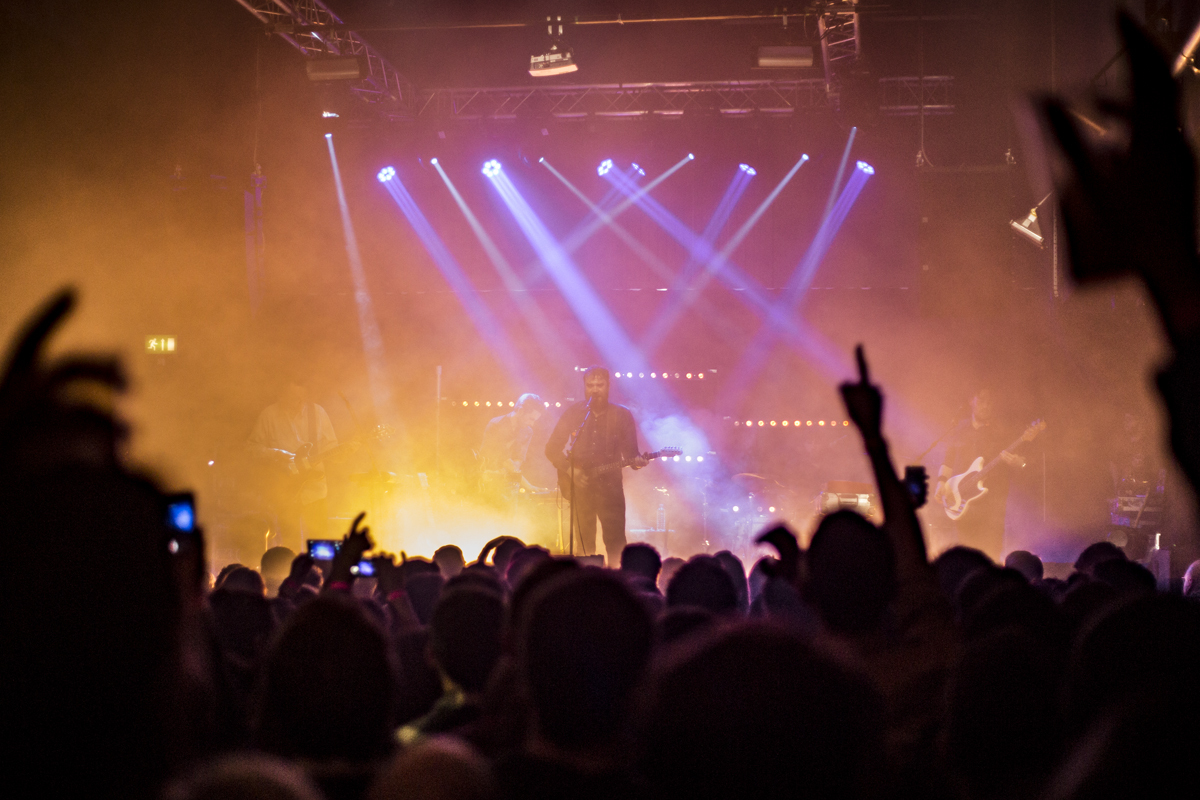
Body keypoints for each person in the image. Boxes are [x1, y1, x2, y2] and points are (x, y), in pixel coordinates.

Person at [543, 367, 646, 564]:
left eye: (600, 385)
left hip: (611, 489)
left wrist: (639, 463)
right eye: (590, 386)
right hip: (580, 489)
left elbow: (632, 456)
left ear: (608, 386)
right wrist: (570, 470)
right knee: (583, 544)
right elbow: (551, 449)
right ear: (584, 387)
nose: (595, 390)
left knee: (615, 542)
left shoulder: (622, 415)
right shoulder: (574, 414)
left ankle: (616, 582)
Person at [933, 389, 1025, 561]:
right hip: (962, 498)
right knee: (967, 552)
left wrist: (1017, 461)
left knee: (991, 552)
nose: (986, 405)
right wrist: (941, 482)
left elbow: (1023, 461)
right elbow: (948, 460)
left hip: (992, 502)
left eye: (990, 401)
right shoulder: (959, 428)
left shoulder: (1001, 430)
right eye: (982, 400)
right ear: (971, 401)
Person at [247, 381, 340, 550]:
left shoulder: (317, 413)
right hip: (284, 488)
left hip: (315, 489)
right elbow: (252, 447)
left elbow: (331, 446)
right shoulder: (269, 415)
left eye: (300, 398)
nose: (297, 403)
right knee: (290, 544)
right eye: (291, 398)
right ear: (280, 395)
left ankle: (320, 575)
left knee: (320, 545)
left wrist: (341, 453)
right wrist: (276, 454)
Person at [478, 393, 546, 505]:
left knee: (509, 521)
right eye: (530, 419)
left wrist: (511, 475)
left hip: (510, 485)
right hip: (486, 483)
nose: (532, 424)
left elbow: (518, 461)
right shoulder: (496, 424)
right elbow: (504, 459)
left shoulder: (527, 432)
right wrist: (527, 485)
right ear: (520, 411)